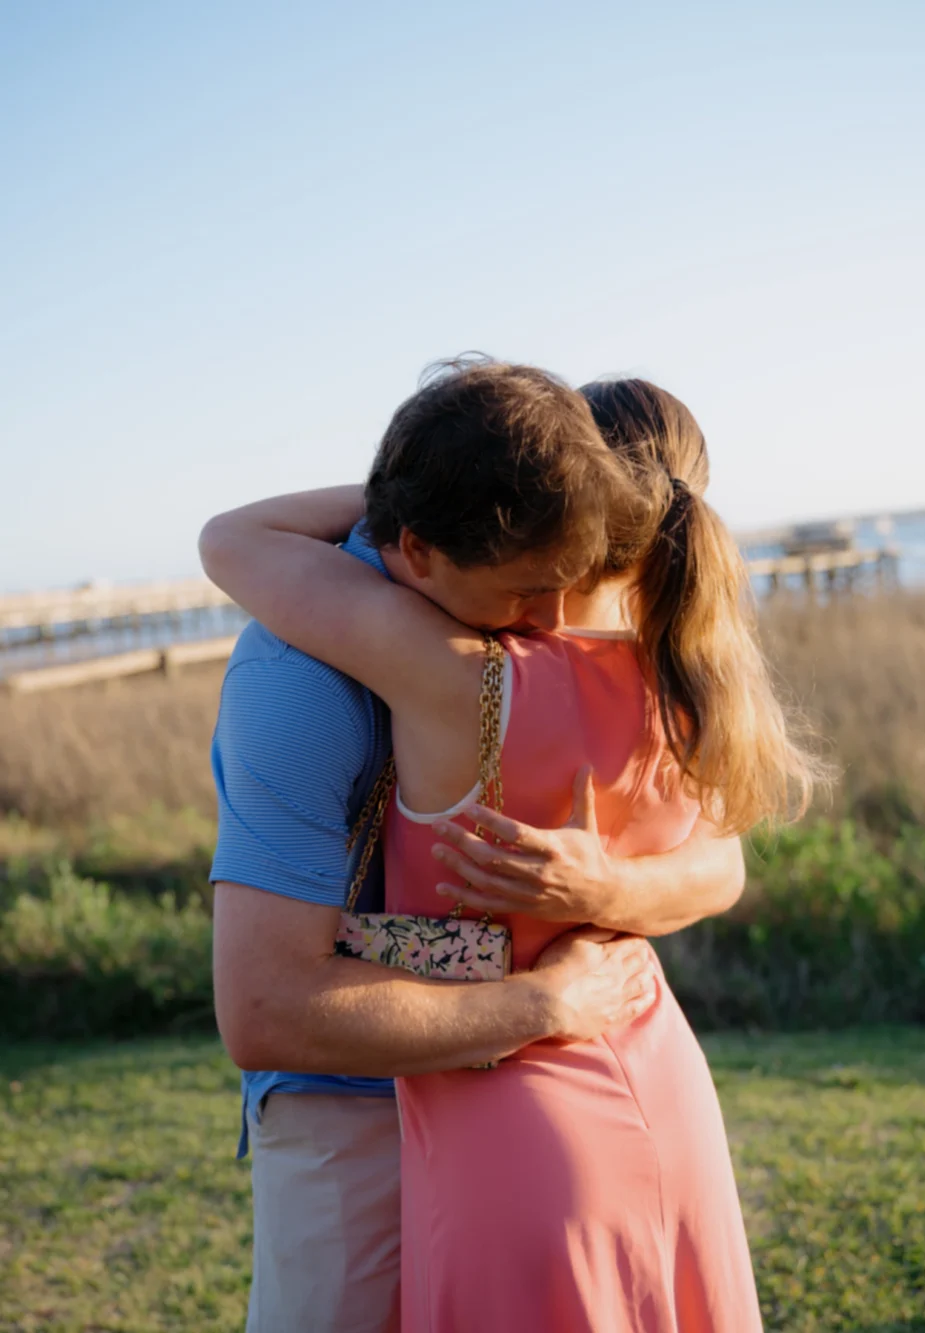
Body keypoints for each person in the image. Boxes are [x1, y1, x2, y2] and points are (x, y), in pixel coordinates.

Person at [203, 369, 819, 1331]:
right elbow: (267, 1006)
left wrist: (604, 890)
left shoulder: (468, 675)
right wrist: (548, 994)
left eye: (555, 580)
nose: (544, 616)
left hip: (509, 1112)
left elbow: (229, 539)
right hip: (413, 1096)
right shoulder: (685, 679)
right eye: (526, 583)